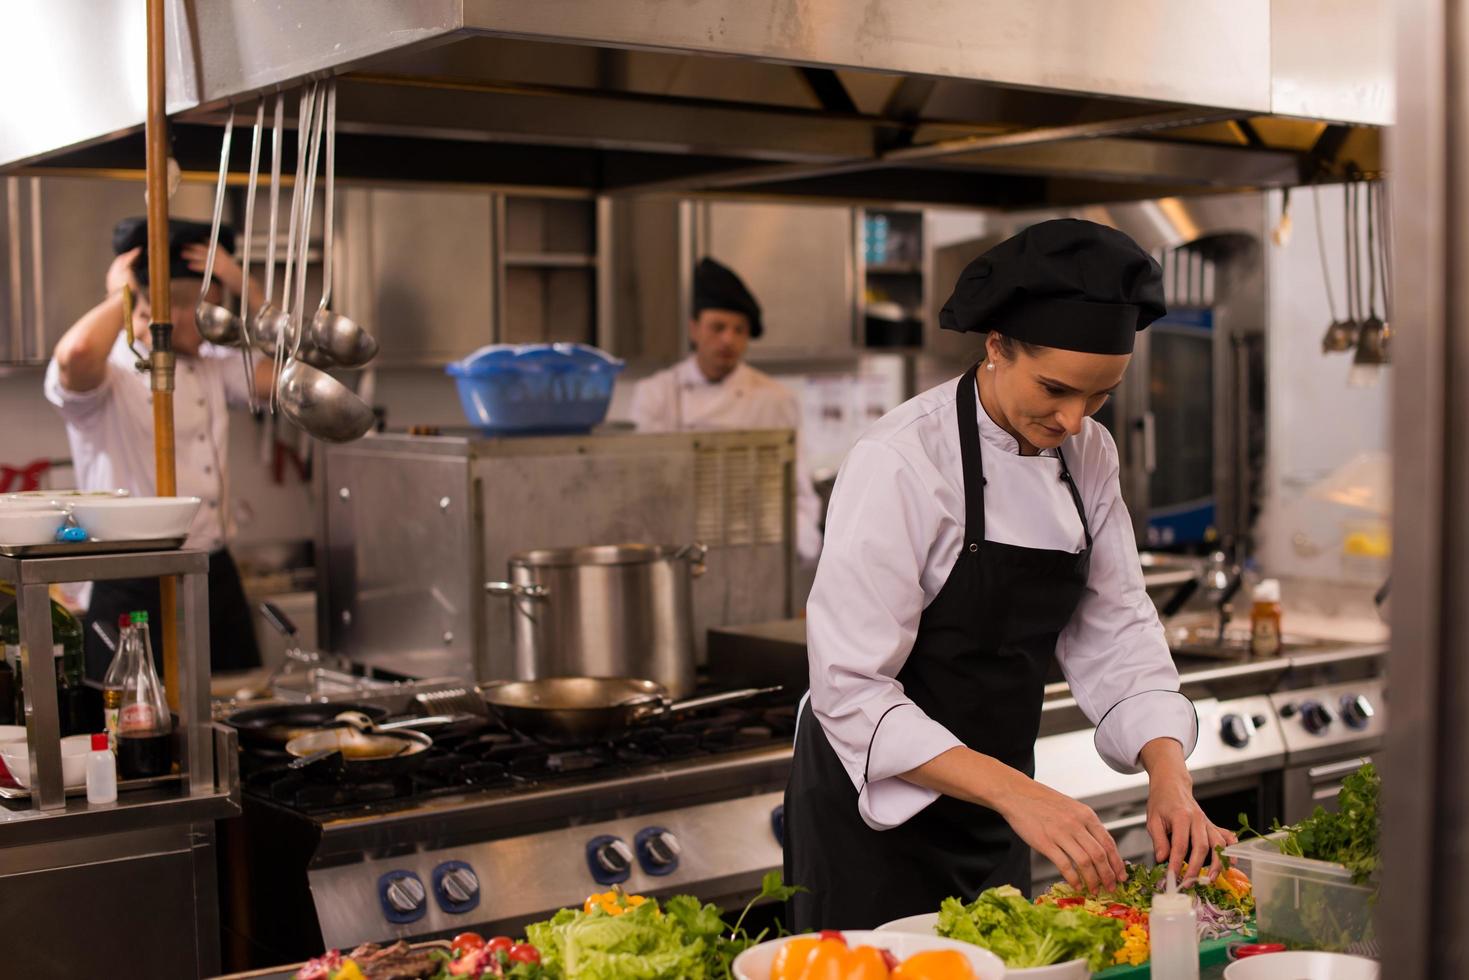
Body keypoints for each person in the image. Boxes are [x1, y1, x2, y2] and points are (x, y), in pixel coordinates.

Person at [784, 219, 1232, 931]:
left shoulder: (1088, 453)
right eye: (1054, 389)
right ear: (994, 346)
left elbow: (1115, 627)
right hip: (873, 819)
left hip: (1001, 808)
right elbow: (849, 688)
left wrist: (1168, 776)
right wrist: (1017, 793)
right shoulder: (901, 460)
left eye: (1099, 397)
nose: (1073, 419)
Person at [45, 217, 271, 679]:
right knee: (137, 728)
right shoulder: (112, 372)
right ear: (154, 306)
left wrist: (245, 284)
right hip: (129, 580)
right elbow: (74, 356)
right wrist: (119, 298)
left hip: (213, 572)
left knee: (240, 705)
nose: (207, 319)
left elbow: (287, 374)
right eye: (194, 304)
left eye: (213, 303)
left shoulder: (211, 366)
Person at [630, 257, 822, 561]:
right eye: (717, 327)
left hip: (757, 551)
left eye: (739, 330)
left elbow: (796, 490)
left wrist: (803, 553)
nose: (728, 339)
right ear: (694, 329)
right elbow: (646, 488)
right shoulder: (656, 393)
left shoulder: (775, 399)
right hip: (678, 552)